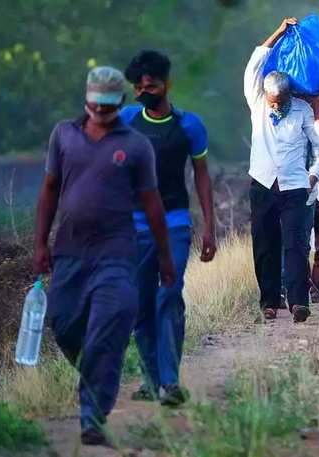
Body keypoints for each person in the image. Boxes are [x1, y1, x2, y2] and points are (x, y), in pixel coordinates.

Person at [33, 66, 176, 446]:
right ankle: (96, 370)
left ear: (121, 104)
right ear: (86, 98)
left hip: (116, 254)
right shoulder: (63, 135)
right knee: (64, 326)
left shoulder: (135, 146)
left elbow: (152, 204)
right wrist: (40, 243)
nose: (100, 110)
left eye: (108, 106)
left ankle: (92, 417)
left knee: (107, 329)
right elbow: (49, 189)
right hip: (70, 252)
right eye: (95, 103)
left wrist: (165, 258)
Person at [120, 50, 217, 406]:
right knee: (141, 304)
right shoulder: (128, 120)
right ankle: (151, 379)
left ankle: (170, 383)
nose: (147, 90)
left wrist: (209, 227)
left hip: (174, 223)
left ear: (167, 84)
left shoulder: (189, 125)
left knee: (169, 294)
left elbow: (202, 178)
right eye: (141, 87)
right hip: (133, 227)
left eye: (153, 85)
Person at [244, 17, 319, 322]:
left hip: (295, 186)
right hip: (263, 184)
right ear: (265, 95)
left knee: (296, 245)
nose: (277, 105)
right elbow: (255, 63)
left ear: (289, 95)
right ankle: (269, 301)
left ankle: (298, 302)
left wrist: (315, 174)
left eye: (281, 100)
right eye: (273, 100)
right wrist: (279, 30)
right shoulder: (257, 104)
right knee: (265, 244)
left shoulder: (302, 110)